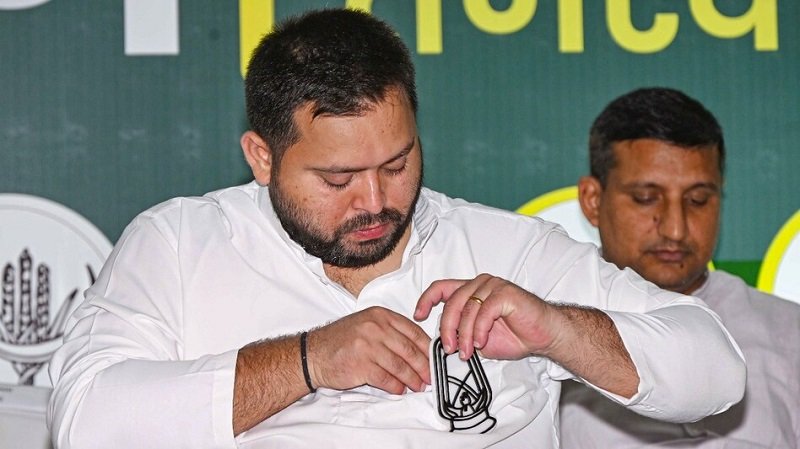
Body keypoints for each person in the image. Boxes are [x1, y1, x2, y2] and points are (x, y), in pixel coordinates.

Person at [48, 10, 745, 449]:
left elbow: (718, 372)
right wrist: (307, 360)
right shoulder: (179, 243)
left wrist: (556, 328)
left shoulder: (509, 250)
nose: (377, 201)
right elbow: (84, 422)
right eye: (338, 179)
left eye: (398, 163)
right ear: (261, 157)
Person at [561, 87, 800, 448]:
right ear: (593, 200)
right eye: (646, 198)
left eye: (698, 200)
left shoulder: (788, 332)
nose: (675, 228)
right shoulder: (537, 336)